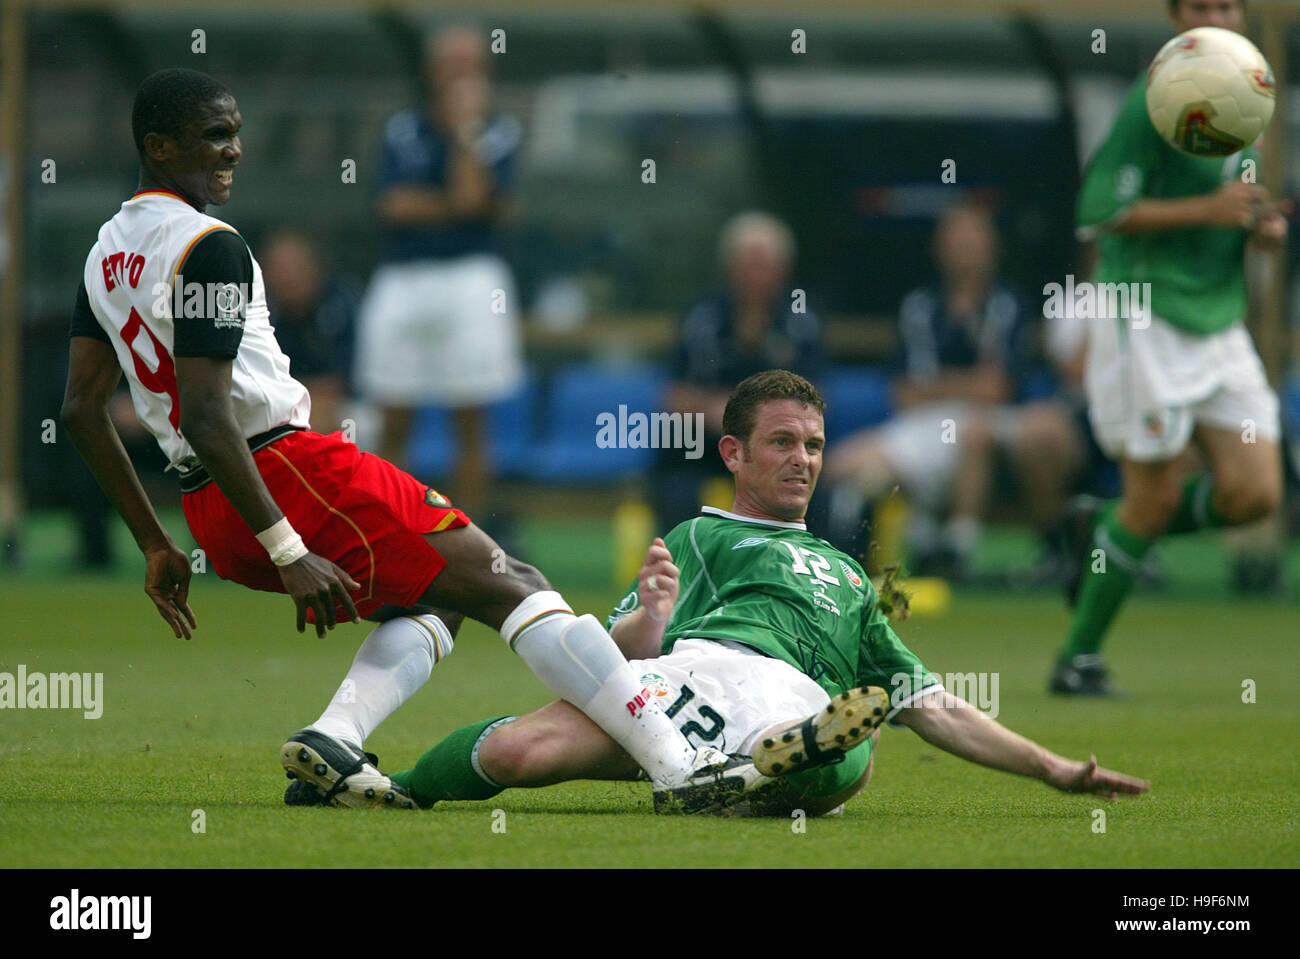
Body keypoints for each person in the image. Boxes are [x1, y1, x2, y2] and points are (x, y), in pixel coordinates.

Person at [60, 67, 767, 814]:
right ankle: (682, 766)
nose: (233, 151)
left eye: (236, 133)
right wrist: (290, 549)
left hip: (210, 504)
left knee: (438, 599)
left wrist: (154, 542)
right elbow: (208, 411)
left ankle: (334, 738)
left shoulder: (106, 251)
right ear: (159, 146)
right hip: (285, 472)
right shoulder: (210, 245)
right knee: (513, 582)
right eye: (213, 136)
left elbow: (80, 408)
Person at [357, 371, 1147, 817]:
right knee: (513, 751)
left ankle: (777, 763)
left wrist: (1053, 769)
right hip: (685, 685)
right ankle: (382, 788)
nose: (802, 459)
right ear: (733, 452)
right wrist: (652, 617)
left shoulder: (849, 579)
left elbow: (934, 706)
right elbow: (596, 655)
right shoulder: (700, 536)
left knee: (852, 745)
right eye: (782, 442)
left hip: (793, 701)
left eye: (813, 445)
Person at [1057, 0, 1287, 695]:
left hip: (1217, 319)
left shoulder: (1246, 86)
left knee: (1254, 494)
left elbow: (1233, 197)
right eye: (1200, 5)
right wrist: (1205, 212)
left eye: (1228, 5)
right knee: (1152, 497)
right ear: (1177, 16)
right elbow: (1097, 212)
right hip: (1145, 312)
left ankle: (1104, 529)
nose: (1217, 15)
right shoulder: (1157, 97)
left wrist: (1259, 226)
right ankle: (1078, 660)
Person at [823, 203, 1082, 581]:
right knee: (841, 465)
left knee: (972, 431)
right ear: (939, 249)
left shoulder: (1006, 305)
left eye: (974, 241)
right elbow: (905, 394)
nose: (965, 251)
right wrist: (967, 383)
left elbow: (998, 388)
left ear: (993, 248)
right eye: (956, 241)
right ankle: (844, 566)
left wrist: (940, 385)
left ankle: (956, 551)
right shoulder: (918, 307)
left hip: (992, 424)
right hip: (923, 424)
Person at [352, 24, 524, 519]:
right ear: (432, 71)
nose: (460, 77)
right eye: (452, 66)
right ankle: (387, 535)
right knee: (393, 413)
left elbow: (475, 197)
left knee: (469, 418)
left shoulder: (499, 131)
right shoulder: (400, 128)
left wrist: (466, 133)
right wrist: (459, 204)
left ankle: (468, 547)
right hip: (403, 277)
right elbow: (394, 206)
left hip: (472, 278)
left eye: (470, 67)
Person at [652, 211, 823, 534]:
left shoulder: (803, 321)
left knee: (819, 484)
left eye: (765, 264)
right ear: (729, 267)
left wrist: (759, 421)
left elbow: (818, 397)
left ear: (783, 268)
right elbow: (674, 396)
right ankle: (683, 567)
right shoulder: (700, 317)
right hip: (704, 444)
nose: (756, 275)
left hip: (779, 443)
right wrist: (713, 412)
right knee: (674, 483)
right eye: (748, 263)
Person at [260, 230, 359, 439]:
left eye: (294, 268)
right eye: (277, 269)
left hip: (350, 409)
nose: (285, 278)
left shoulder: (341, 307)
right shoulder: (260, 313)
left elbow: (338, 385)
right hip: (284, 409)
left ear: (315, 269)